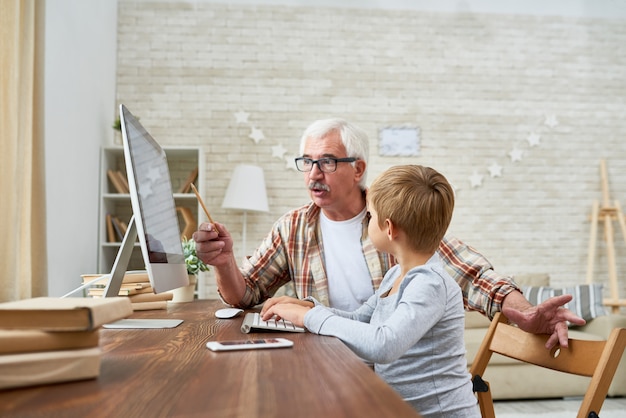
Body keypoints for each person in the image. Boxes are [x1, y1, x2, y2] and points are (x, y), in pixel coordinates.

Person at [193, 118, 584, 349]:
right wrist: (224, 262)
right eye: (307, 162)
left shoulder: (392, 218)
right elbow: (245, 295)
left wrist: (528, 314)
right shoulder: (293, 226)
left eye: (326, 162)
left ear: (358, 168)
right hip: (330, 362)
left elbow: (475, 276)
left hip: (387, 375)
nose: (313, 174)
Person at [263, 164, 479, 417]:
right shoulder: (396, 274)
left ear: (389, 228)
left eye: (370, 216)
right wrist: (309, 307)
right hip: (393, 408)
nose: (367, 222)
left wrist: (309, 319)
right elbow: (359, 319)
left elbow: (384, 344)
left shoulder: (429, 284)